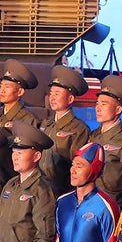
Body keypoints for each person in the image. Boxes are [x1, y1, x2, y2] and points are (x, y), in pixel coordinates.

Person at [39, 66, 90, 197]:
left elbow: (78, 165)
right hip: (41, 190)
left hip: (62, 192)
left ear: (70, 99)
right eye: (51, 93)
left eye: (57, 93)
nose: (52, 98)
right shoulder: (46, 123)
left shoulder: (79, 129)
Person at [89, 75, 122, 205]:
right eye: (97, 103)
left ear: (118, 109)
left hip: (113, 205)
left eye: (104, 104)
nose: (98, 108)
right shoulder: (93, 136)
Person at [0, 59, 40, 181]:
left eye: (7, 87)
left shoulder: (28, 119)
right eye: (1, 86)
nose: (2, 90)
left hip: (12, 178)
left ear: (20, 91)